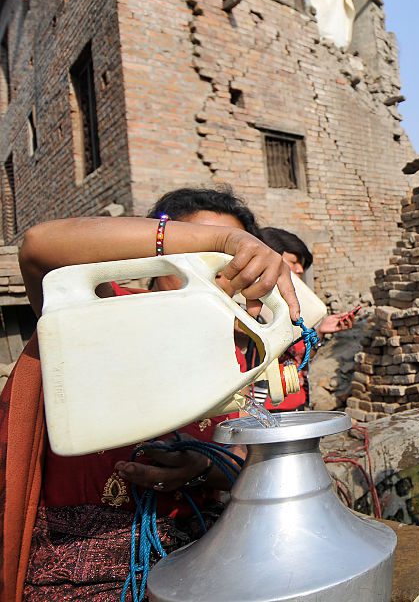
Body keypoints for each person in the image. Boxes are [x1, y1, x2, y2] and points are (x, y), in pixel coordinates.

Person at [0, 187, 300, 601]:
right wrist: (223, 241)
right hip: (77, 572)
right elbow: (38, 247)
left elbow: (242, 456)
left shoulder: (243, 356)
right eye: (195, 254)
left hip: (199, 555)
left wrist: (198, 468)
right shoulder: (101, 316)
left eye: (229, 264)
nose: (216, 274)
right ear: (154, 261)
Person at [256, 227, 356, 411]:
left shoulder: (291, 307)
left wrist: (319, 332)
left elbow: (296, 360)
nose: (300, 269)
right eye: (293, 262)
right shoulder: (252, 308)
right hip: (263, 410)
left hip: (296, 404)